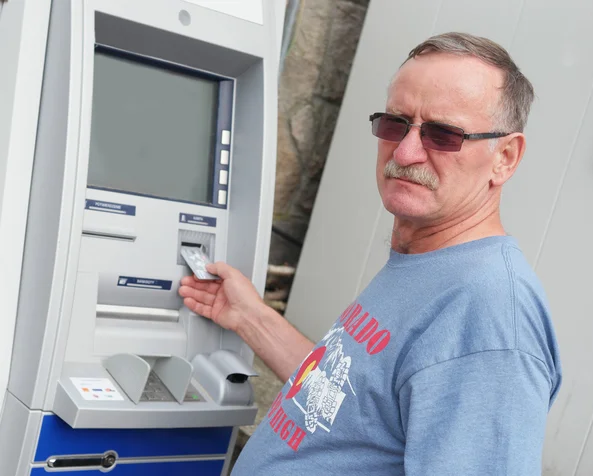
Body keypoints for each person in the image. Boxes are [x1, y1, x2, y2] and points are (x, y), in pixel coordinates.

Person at [179, 32, 562, 475]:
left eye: (443, 134)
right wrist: (249, 316)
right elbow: (346, 402)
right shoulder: (426, 260)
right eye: (396, 123)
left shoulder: (489, 314)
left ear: (505, 158)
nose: (405, 151)